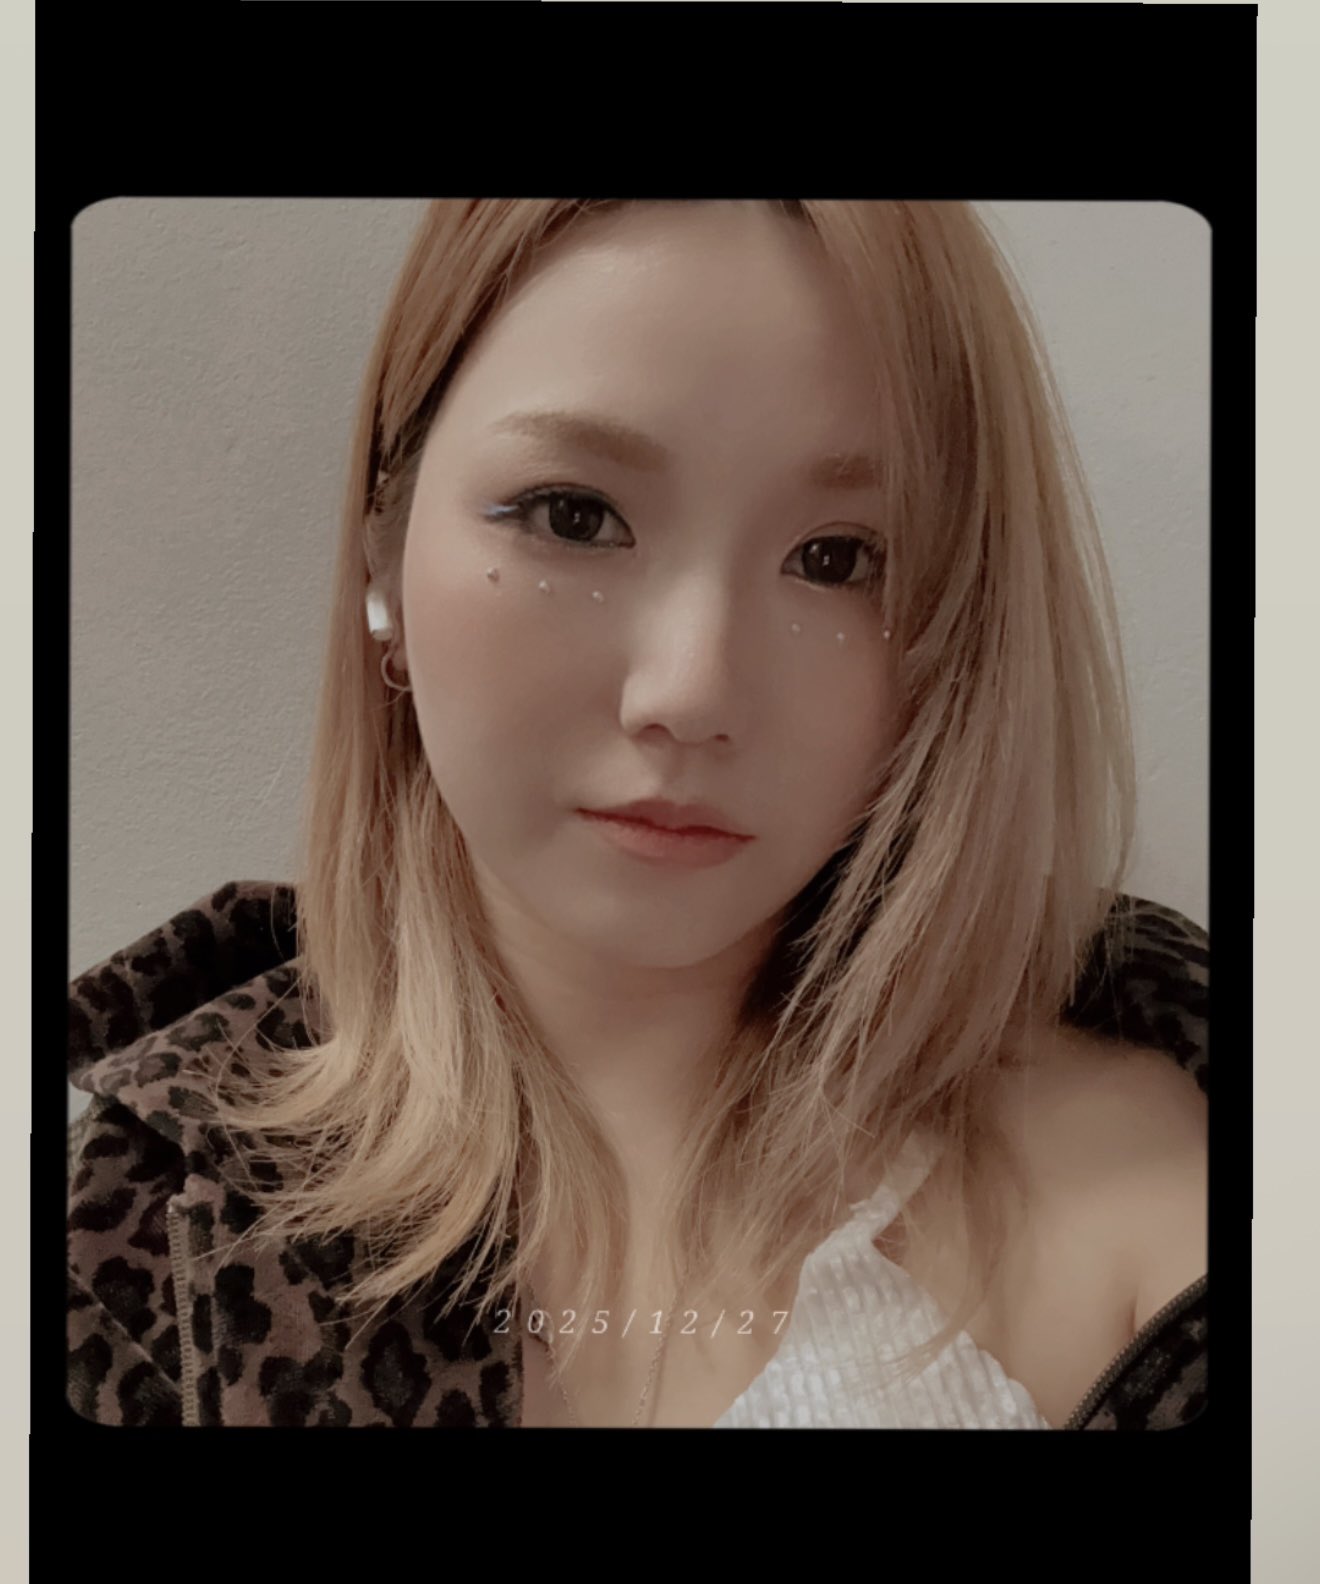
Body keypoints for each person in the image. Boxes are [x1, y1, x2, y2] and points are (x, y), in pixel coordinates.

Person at [67, 200, 1208, 1430]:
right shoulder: (141, 1241)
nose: (690, 693)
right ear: (382, 552)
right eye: (573, 515)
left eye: (838, 559)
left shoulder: (1163, 1188)